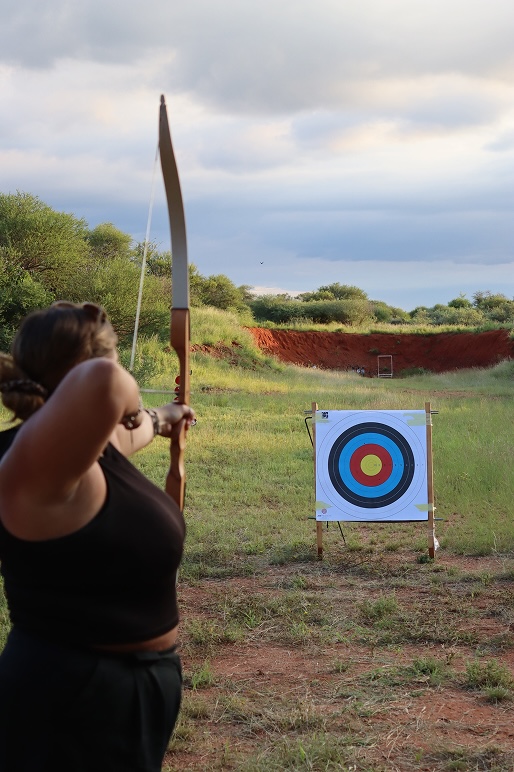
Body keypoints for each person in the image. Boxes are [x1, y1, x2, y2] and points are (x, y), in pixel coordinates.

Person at [0, 301, 195, 772]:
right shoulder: (33, 469)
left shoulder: (87, 451)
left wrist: (165, 415)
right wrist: (127, 400)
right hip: (69, 699)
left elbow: (138, 428)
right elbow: (104, 386)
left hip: (132, 692)